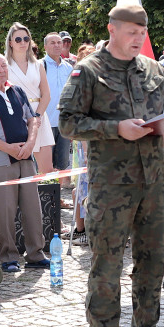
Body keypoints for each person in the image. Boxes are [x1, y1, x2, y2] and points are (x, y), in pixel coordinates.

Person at [59, 4, 164, 327]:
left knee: (152, 263)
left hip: (152, 182)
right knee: (107, 265)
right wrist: (115, 129)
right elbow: (68, 123)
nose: (138, 39)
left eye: (142, 33)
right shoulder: (89, 71)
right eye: (131, 32)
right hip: (111, 186)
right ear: (112, 29)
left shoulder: (154, 69)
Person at [0, 53, 48, 274]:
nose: (1, 70)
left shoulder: (17, 90)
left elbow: (33, 119)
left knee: (33, 208)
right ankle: (9, 256)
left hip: (26, 157)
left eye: (4, 66)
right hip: (0, 161)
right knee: (5, 211)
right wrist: (9, 148)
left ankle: (36, 254)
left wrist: (30, 144)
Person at [4, 23, 56, 175]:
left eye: (26, 39)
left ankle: (47, 199)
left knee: (47, 169)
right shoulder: (4, 65)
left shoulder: (37, 64)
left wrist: (37, 116)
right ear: (10, 42)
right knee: (21, 170)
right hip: (15, 118)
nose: (22, 42)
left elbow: (46, 94)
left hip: (39, 115)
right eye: (18, 39)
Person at [69, 42, 95, 246]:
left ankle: (90, 229)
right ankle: (81, 230)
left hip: (96, 141)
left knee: (88, 186)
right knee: (82, 186)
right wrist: (86, 150)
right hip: (86, 143)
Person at [42, 32, 74, 178]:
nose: (57, 45)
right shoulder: (39, 66)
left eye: (59, 42)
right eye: (52, 43)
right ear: (45, 46)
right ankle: (45, 198)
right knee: (45, 166)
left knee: (61, 165)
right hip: (45, 122)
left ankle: (58, 198)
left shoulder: (68, 68)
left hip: (64, 123)